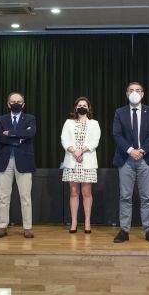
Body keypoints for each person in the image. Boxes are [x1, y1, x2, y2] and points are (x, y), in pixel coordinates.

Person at [112, 82, 149, 243]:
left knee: (146, 197)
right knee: (125, 196)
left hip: (145, 159)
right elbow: (117, 134)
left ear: (142, 94)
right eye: (131, 90)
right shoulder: (120, 112)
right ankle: (124, 230)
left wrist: (142, 150)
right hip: (126, 159)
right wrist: (130, 150)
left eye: (137, 90)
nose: (134, 93)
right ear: (127, 94)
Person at [0, 92, 36, 239]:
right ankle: (2, 226)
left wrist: (10, 133)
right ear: (8, 104)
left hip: (24, 162)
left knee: (25, 197)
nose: (16, 104)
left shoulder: (30, 118)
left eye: (19, 101)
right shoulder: (1, 119)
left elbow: (31, 134)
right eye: (13, 101)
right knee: (3, 196)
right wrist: (19, 138)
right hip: (4, 162)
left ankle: (27, 228)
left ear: (23, 104)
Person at [61, 97, 101, 234]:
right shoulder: (68, 122)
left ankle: (87, 222)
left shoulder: (94, 124)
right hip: (72, 161)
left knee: (86, 192)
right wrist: (74, 152)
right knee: (73, 192)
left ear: (88, 108)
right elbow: (64, 139)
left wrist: (81, 151)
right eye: (79, 105)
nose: (82, 107)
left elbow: (95, 141)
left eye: (84, 105)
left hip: (87, 161)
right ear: (76, 108)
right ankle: (74, 222)